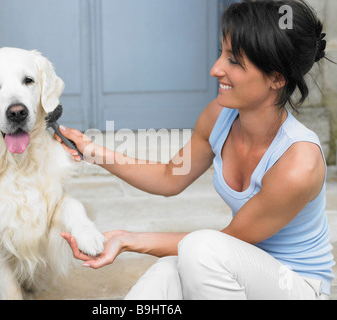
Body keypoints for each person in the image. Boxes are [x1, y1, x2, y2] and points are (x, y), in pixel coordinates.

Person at [57, 0, 335, 300]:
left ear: (277, 78)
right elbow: (169, 177)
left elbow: (226, 241)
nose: (216, 69)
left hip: (294, 286)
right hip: (240, 270)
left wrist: (129, 240)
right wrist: (90, 150)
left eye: (234, 61)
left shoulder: (299, 161)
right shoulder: (221, 115)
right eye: (221, 54)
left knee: (199, 250)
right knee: (167, 272)